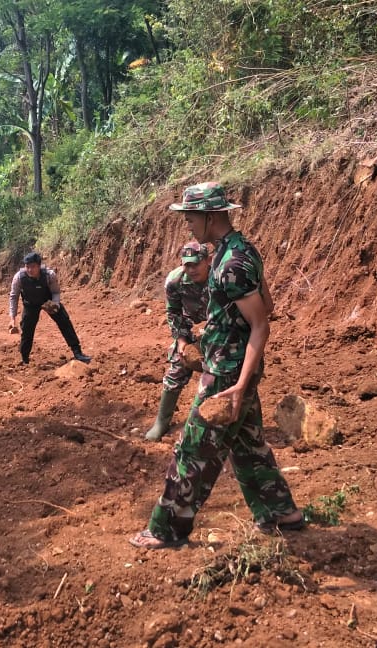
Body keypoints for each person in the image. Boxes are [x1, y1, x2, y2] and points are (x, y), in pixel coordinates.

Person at [130, 181, 303, 550]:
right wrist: (220, 325)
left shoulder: (231, 263)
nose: (187, 224)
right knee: (247, 445)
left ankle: (165, 530)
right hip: (234, 366)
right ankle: (280, 512)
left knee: (193, 449)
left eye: (190, 216)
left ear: (209, 216)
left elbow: (261, 324)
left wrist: (238, 386)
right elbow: (265, 304)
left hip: (226, 374)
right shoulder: (239, 251)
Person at [145, 241, 211, 441]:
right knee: (175, 370)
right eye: (187, 265)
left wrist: (209, 334)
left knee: (218, 376)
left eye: (196, 264)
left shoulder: (220, 277)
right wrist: (182, 341)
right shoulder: (175, 281)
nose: (191, 270)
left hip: (220, 330)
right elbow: (173, 313)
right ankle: (161, 422)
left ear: (208, 261)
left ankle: (215, 422)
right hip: (190, 329)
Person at [8, 252, 91, 365]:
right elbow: (13, 297)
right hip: (30, 304)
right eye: (27, 266)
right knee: (27, 330)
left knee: (64, 321)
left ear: (39, 266)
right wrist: (12, 319)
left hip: (48, 301)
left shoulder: (49, 275)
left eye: (33, 267)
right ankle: (24, 359)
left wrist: (55, 304)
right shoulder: (19, 278)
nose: (30, 270)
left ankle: (77, 353)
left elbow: (55, 292)